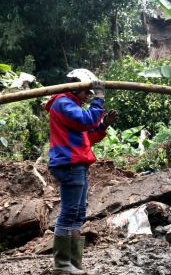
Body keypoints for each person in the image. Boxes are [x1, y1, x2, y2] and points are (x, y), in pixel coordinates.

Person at [47, 69, 117, 275]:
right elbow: (85, 121)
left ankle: (75, 264)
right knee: (69, 213)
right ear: (76, 87)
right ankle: (61, 265)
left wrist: (102, 125)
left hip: (78, 164)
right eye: (87, 92)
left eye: (90, 93)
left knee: (78, 214)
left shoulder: (73, 106)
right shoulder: (62, 103)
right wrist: (100, 99)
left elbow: (88, 136)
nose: (88, 96)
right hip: (70, 164)